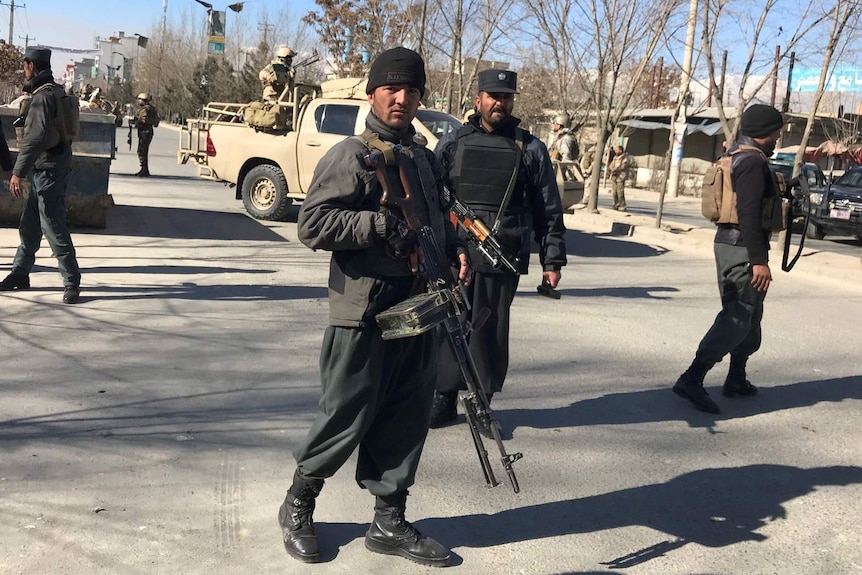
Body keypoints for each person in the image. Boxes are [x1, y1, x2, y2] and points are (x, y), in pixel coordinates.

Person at [278, 47, 469, 567]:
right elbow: (312, 225)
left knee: (406, 415)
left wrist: (455, 254)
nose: (402, 99)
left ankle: (388, 520)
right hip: (362, 309)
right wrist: (376, 226)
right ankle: (299, 501)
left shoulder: (424, 159)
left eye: (411, 91)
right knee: (346, 413)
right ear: (372, 94)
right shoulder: (350, 155)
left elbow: (434, 223)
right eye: (392, 89)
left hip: (416, 308)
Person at [429, 69, 567, 428]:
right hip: (456, 254)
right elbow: (432, 200)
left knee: (489, 333)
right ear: (478, 99)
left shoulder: (530, 148)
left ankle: (481, 402)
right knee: (450, 325)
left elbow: (548, 208)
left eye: (506, 97)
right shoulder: (453, 144)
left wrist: (552, 260)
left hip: (502, 257)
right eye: (493, 96)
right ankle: (443, 396)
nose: (499, 103)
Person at [672, 104, 786, 414]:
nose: (779, 136)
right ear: (765, 132)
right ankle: (691, 378)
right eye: (777, 131)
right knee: (738, 314)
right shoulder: (750, 161)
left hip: (739, 245)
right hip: (741, 247)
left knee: (750, 314)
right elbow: (748, 212)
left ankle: (736, 378)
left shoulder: (742, 155)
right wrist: (759, 260)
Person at [0, 46, 82, 304]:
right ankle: (20, 273)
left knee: (53, 225)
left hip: (48, 171)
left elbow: (34, 139)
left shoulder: (42, 98)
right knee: (31, 224)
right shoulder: (55, 92)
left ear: (31, 66)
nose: (23, 70)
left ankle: (71, 281)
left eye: (25, 65)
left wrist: (17, 172)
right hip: (49, 168)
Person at [130, 92, 159, 177]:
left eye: (139, 99)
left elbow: (143, 120)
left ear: (143, 100)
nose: (138, 101)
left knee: (141, 151)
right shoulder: (151, 108)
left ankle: (144, 170)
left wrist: (135, 122)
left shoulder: (145, 109)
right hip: (147, 131)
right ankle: (144, 169)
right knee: (143, 151)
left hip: (145, 132)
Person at [549, 112, 578, 181]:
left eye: (554, 123)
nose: (552, 125)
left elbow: (566, 156)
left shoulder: (565, 138)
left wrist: (564, 175)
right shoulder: (561, 137)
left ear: (559, 125)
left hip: (560, 175)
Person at [608, 145, 631, 211]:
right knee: (614, 192)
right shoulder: (615, 157)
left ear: (620, 150)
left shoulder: (625, 158)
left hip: (620, 177)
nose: (615, 151)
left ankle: (622, 204)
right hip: (614, 176)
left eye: (616, 150)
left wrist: (615, 169)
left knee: (620, 192)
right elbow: (611, 165)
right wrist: (611, 168)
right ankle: (616, 203)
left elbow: (622, 166)